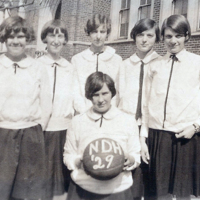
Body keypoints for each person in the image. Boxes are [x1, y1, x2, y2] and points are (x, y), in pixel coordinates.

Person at [141, 14, 200, 200]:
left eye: (178, 35)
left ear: (187, 36)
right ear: (163, 38)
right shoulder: (154, 65)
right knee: (158, 193)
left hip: (185, 137)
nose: (173, 41)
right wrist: (143, 137)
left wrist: (196, 126)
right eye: (168, 36)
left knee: (183, 195)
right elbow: (146, 103)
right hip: (158, 137)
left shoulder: (197, 64)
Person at [64, 72, 141, 200]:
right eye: (96, 95)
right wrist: (78, 161)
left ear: (112, 93)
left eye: (105, 93)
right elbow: (68, 155)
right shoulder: (77, 121)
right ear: (89, 96)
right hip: (83, 188)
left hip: (118, 189)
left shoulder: (127, 120)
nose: (101, 100)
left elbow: (136, 155)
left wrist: (130, 160)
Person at [0, 16, 51, 200]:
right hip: (2, 134)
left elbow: (46, 103)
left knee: (27, 191)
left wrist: (36, 130)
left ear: (27, 39)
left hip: (30, 135)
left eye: (20, 36)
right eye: (11, 37)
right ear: (4, 39)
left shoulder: (37, 67)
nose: (15, 41)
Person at [118, 18, 160, 200]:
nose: (144, 39)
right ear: (134, 37)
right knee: (129, 177)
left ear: (156, 38)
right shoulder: (125, 65)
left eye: (149, 35)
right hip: (128, 126)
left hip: (152, 128)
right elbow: (118, 97)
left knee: (150, 177)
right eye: (140, 35)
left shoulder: (161, 64)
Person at [37, 19, 74, 200]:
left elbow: (75, 98)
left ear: (65, 40)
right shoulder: (36, 65)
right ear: (45, 38)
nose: (56, 40)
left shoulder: (70, 68)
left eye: (60, 36)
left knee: (61, 185)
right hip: (41, 131)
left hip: (63, 132)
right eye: (52, 35)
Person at [72, 14, 123, 114]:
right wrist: (84, 112)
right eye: (94, 32)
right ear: (89, 33)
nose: (98, 36)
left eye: (102, 32)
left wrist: (110, 112)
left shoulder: (117, 60)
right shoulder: (77, 60)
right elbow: (75, 91)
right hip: (85, 114)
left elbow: (117, 91)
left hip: (109, 115)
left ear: (107, 33)